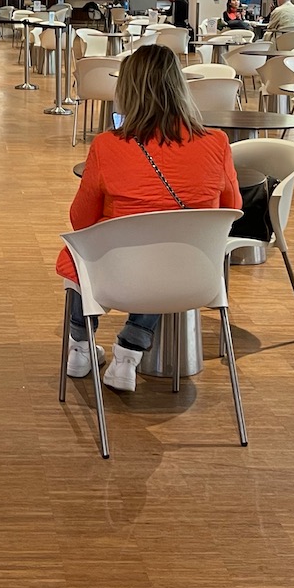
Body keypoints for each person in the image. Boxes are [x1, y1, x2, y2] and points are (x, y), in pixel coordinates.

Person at [58, 44, 243, 392]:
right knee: (165, 246)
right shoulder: (217, 143)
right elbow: (232, 206)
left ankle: (80, 347)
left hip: (119, 279)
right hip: (194, 276)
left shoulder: (107, 145)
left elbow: (80, 221)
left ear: (126, 91)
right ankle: (128, 354)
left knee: (80, 251)